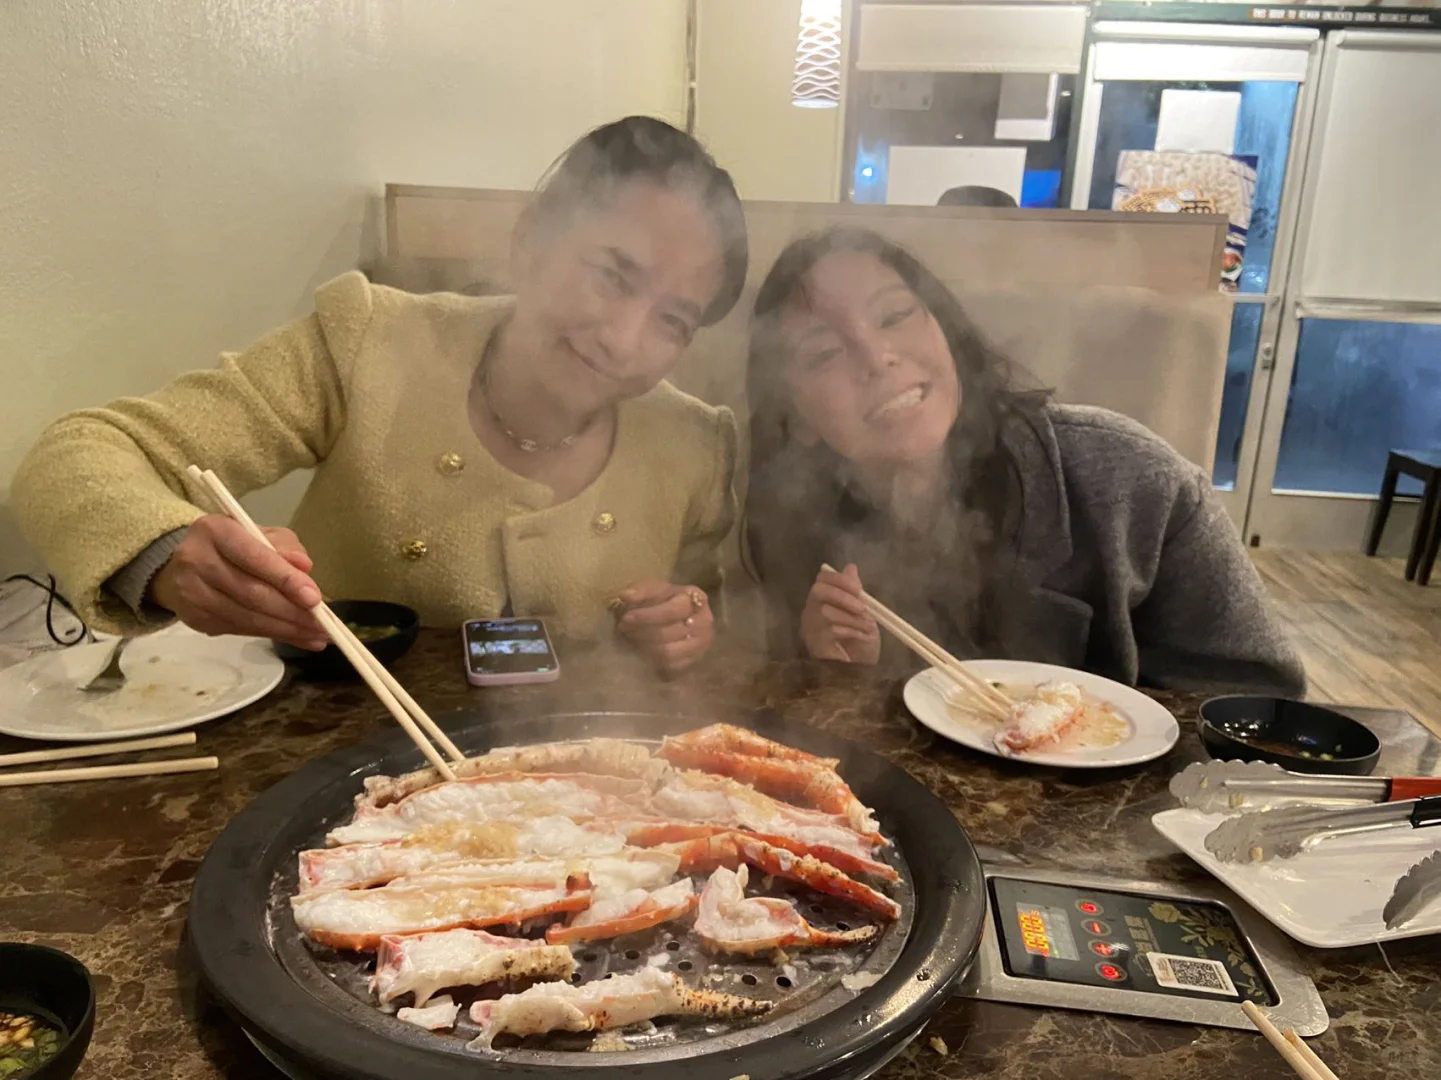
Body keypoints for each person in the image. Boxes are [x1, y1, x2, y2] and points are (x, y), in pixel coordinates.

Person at [13, 116, 749, 675]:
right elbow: (79, 451)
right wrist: (168, 554)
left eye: (672, 320)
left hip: (576, 812)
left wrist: (690, 626)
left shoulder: (693, 447)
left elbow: (705, 623)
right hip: (332, 783)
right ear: (531, 239)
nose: (624, 337)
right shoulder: (368, 340)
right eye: (613, 275)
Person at [742, 226, 1305, 694]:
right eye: (824, 352)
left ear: (948, 334)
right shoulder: (801, 525)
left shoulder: (1134, 484)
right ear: (796, 420)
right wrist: (832, 673)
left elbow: (1263, 699)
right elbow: (832, 749)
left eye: (893, 317)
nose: (876, 357)